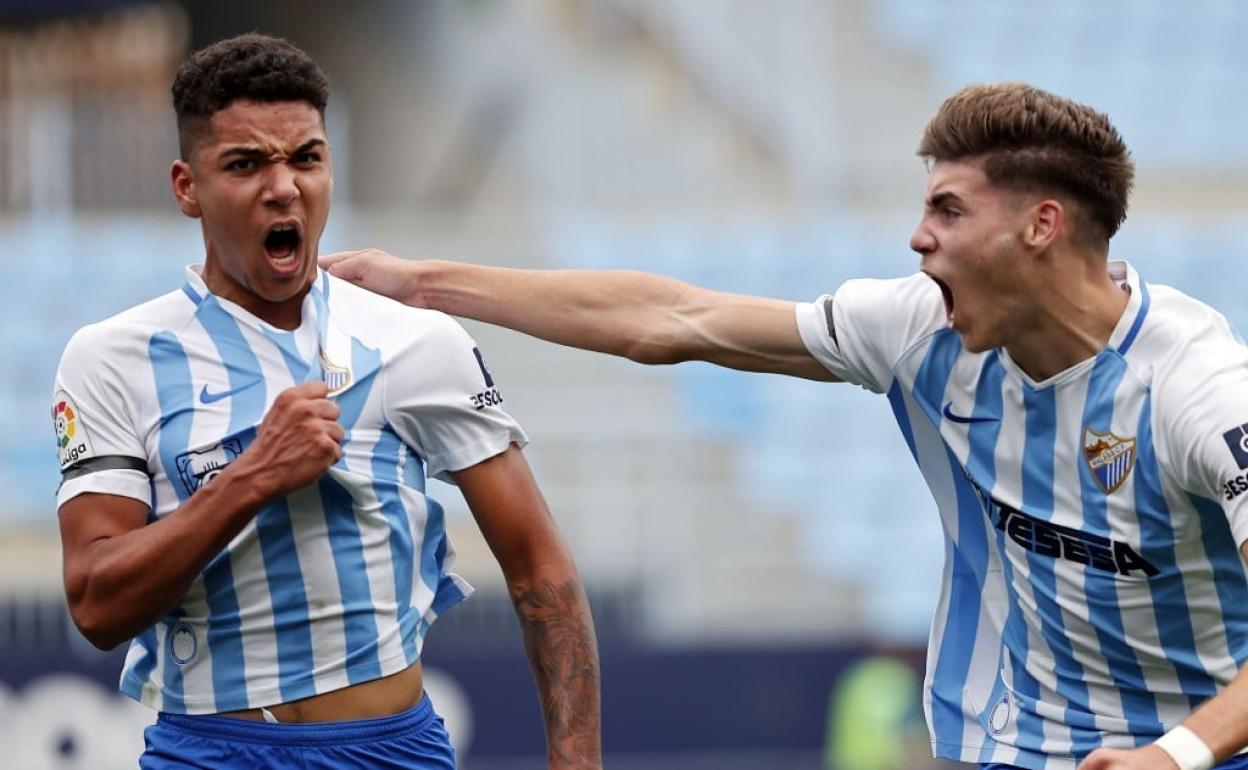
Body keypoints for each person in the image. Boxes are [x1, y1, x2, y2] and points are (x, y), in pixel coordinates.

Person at [322, 82, 1248, 770]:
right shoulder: (920, 328)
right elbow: (670, 321)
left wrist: (1174, 756)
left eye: (947, 209)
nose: (917, 238)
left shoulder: (1199, 389)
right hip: (1019, 745)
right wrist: (425, 284)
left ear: (1043, 225)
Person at [52, 34, 601, 770]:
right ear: (187, 187)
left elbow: (541, 570)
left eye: (305, 158)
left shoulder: (414, 342)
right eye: (246, 164)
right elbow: (95, 607)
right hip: (209, 752)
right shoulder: (113, 357)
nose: (284, 188)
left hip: (390, 750)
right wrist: (252, 477)